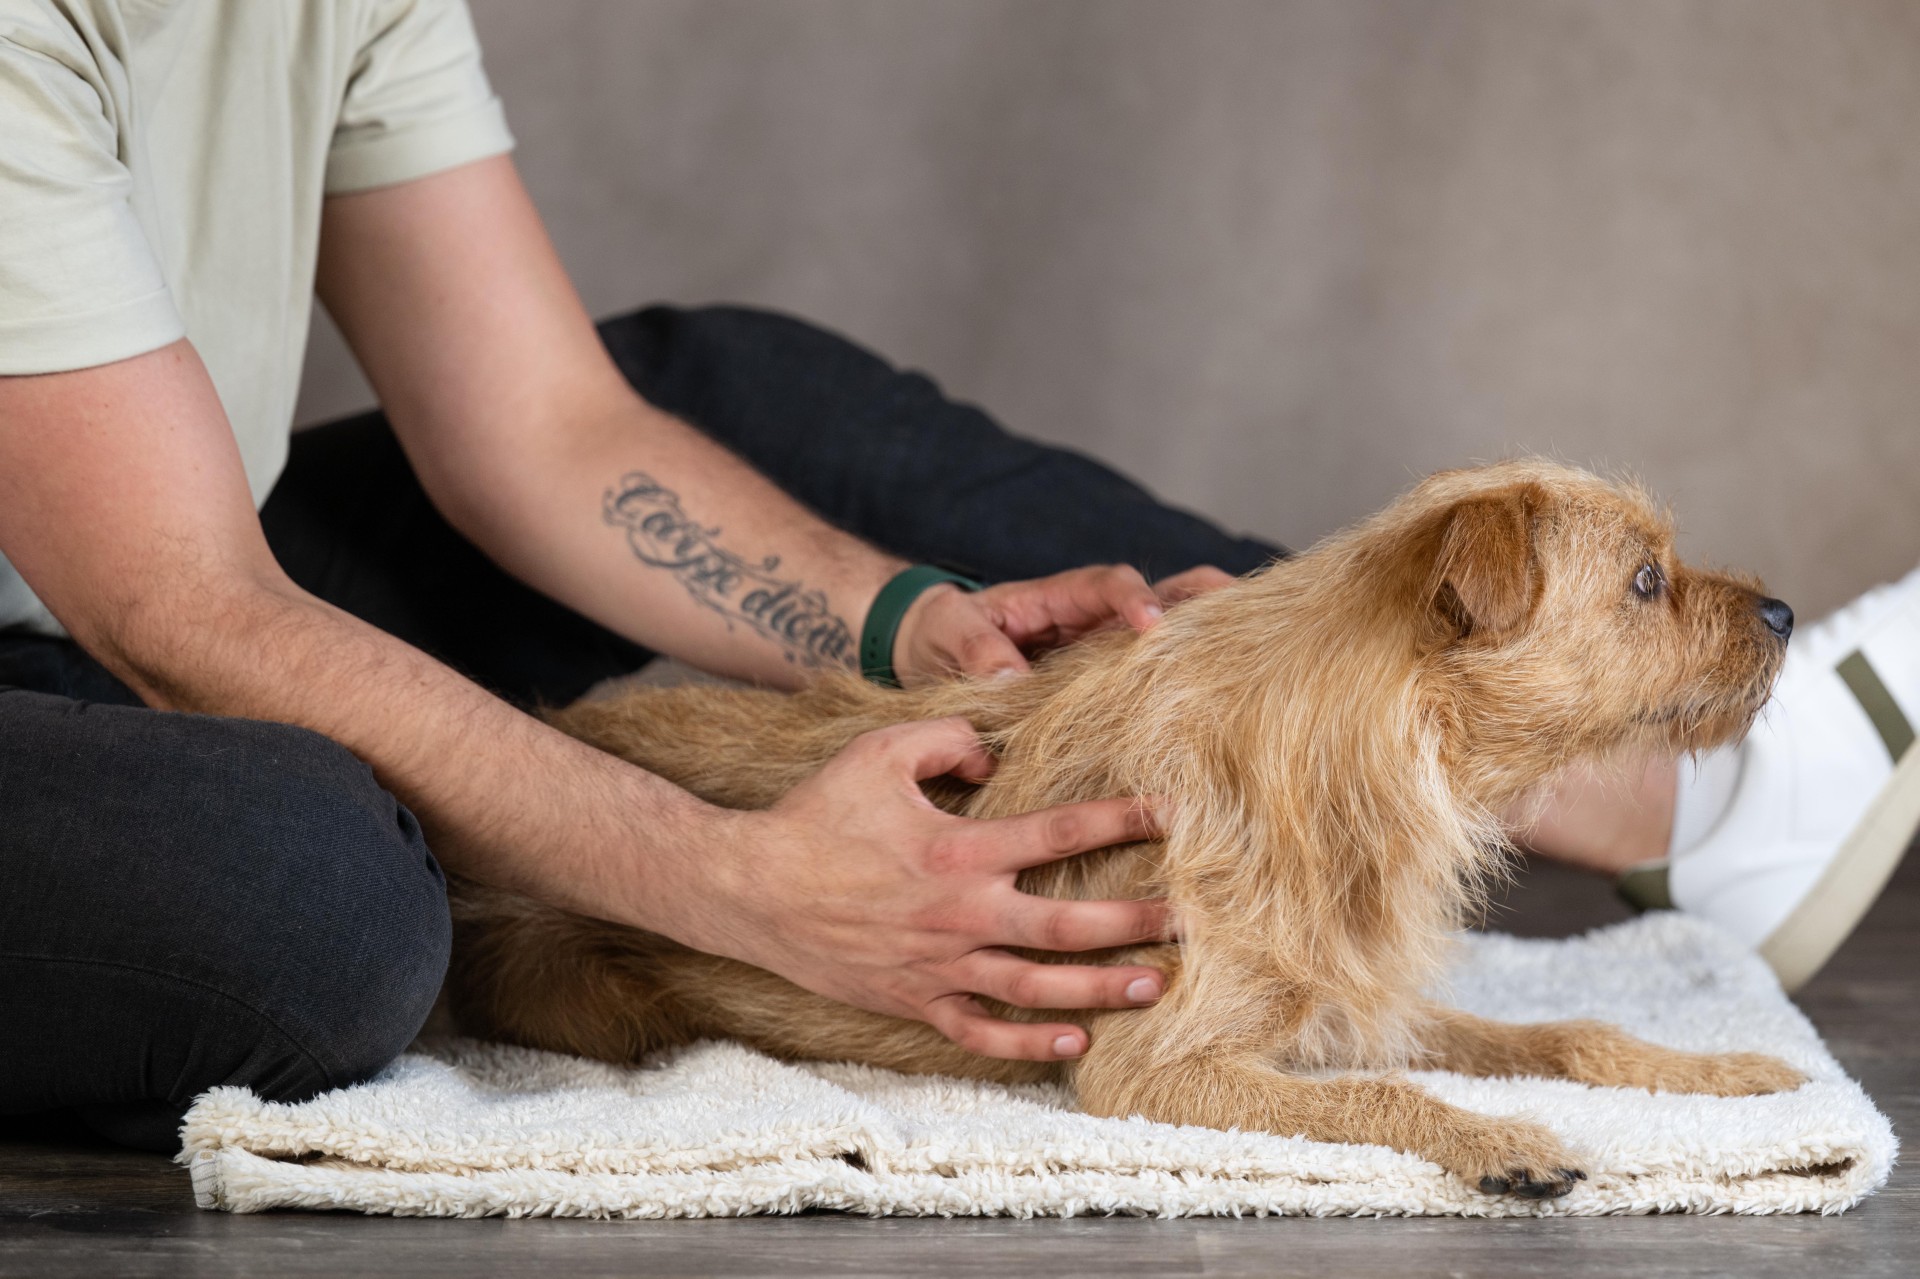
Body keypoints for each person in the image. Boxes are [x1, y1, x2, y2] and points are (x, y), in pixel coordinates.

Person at [2, 0, 1912, 1156]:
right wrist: (731, 880)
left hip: (192, 531)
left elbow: (549, 432)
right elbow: (180, 610)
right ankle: (447, 866)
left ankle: (1664, 806)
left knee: (734, 385)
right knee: (318, 907)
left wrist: (915, 622)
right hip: (77, 640)